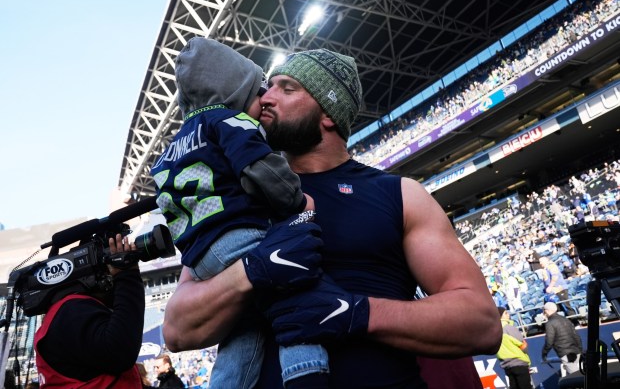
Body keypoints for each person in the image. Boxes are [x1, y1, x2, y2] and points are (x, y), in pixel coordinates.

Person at [162, 48, 502, 388]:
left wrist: (355, 313)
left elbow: (481, 322)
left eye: (287, 87)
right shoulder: (238, 195)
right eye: (267, 86)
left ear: (328, 112)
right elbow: (178, 330)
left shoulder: (400, 194)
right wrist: (251, 271)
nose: (266, 96)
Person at [150, 37, 327, 389]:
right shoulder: (229, 120)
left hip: (200, 256)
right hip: (240, 236)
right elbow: (262, 168)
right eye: (257, 90)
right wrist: (295, 202)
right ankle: (307, 373)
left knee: (245, 328)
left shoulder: (172, 147)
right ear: (235, 92)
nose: (263, 99)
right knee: (295, 290)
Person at [34, 234, 144, 388]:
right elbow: (120, 351)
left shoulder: (67, 311)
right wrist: (127, 276)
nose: (112, 273)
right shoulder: (70, 312)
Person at [541, 302, 583, 377]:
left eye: (544, 310)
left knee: (576, 377)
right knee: (582, 374)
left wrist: (544, 353)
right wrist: (580, 349)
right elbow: (576, 336)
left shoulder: (550, 323)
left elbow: (549, 341)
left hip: (565, 353)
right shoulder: (565, 319)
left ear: (547, 311)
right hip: (576, 351)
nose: (543, 312)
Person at [497, 307, 533, 389]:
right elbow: (523, 345)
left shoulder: (494, 330)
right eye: (505, 313)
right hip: (518, 362)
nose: (508, 314)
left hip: (506, 365)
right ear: (500, 316)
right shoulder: (509, 328)